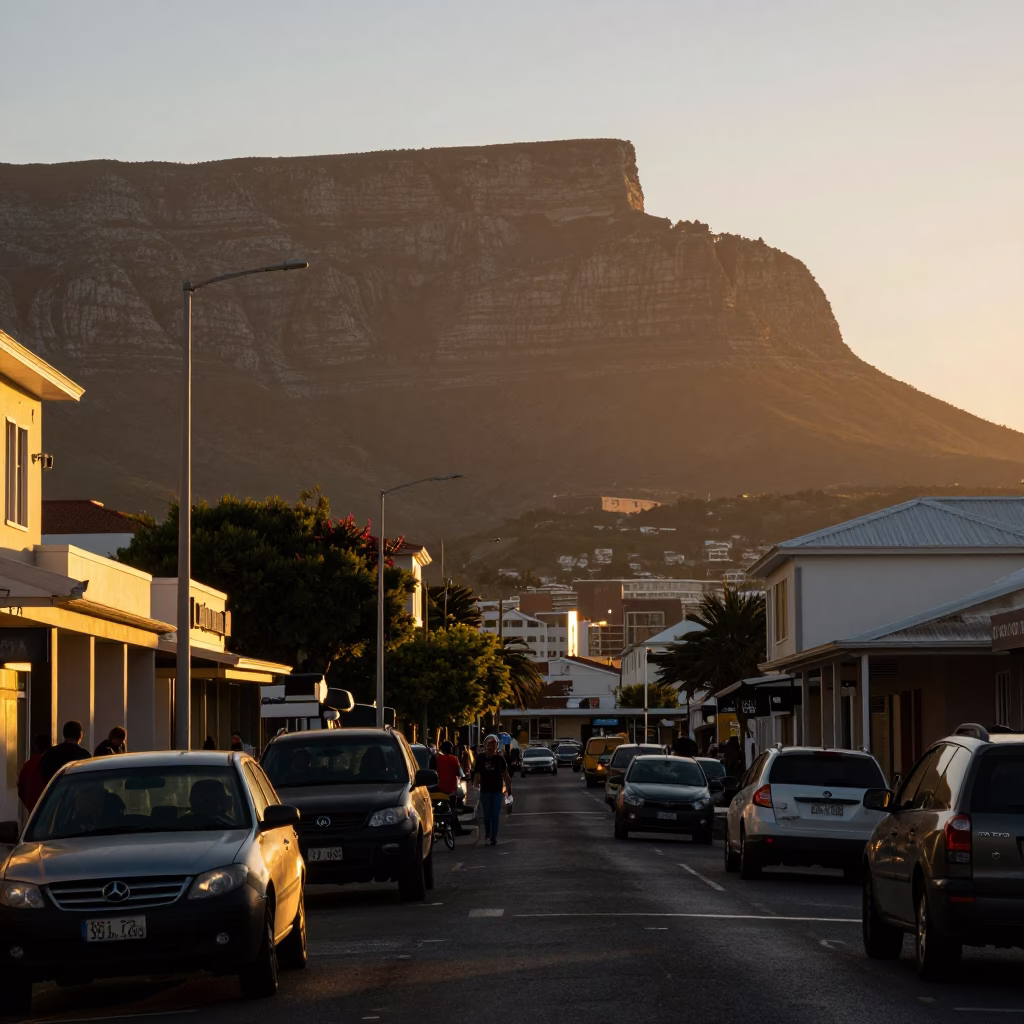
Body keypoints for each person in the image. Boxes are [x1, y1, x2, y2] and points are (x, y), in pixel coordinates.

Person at [471, 734, 512, 845]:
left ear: (496, 746)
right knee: (487, 815)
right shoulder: (480, 758)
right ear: (486, 745)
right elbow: (477, 774)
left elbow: (505, 775)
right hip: (485, 790)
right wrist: (475, 787)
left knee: (495, 815)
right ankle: (487, 834)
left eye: (494, 744)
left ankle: (493, 837)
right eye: (490, 744)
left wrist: (509, 792)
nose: (492, 747)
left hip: (497, 791)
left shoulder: (500, 759)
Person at [436, 741, 467, 836]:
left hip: (440, 788)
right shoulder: (454, 759)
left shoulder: (437, 759)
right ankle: (455, 828)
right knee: (453, 808)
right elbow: (461, 773)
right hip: (451, 789)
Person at [17, 734, 50, 813]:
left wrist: (29, 803)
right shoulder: (51, 763)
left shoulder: (28, 765)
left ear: (36, 747)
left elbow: (20, 788)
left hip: (32, 809)